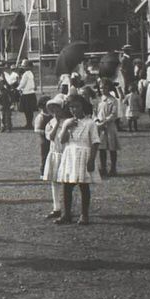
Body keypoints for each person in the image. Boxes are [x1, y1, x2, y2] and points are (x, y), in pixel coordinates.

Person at [54, 93, 99, 226]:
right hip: (70, 154)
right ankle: (66, 214)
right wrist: (67, 127)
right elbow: (61, 141)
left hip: (84, 153)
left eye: (77, 106)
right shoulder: (68, 122)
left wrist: (91, 160)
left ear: (83, 106)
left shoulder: (90, 123)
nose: (74, 109)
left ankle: (84, 215)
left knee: (84, 186)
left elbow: (95, 142)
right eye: (71, 107)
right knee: (66, 186)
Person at [41, 96, 68, 219]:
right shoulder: (50, 123)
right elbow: (50, 137)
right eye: (53, 110)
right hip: (55, 153)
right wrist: (56, 123)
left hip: (66, 154)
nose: (56, 112)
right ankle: (56, 207)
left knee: (68, 182)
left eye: (58, 109)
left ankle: (68, 208)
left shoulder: (68, 122)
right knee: (54, 181)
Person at [95, 82, 120, 175]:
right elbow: (95, 112)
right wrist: (97, 121)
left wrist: (105, 122)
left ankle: (113, 168)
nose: (103, 90)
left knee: (112, 147)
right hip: (100, 126)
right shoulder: (99, 100)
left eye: (105, 88)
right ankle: (103, 167)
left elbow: (114, 114)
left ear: (109, 88)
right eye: (101, 88)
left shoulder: (113, 100)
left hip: (109, 126)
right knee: (102, 147)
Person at [17, 59, 37, 129]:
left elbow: (22, 84)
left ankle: (28, 124)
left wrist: (17, 89)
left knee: (27, 110)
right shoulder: (31, 73)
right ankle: (29, 123)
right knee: (30, 111)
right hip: (31, 93)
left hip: (26, 93)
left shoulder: (25, 74)